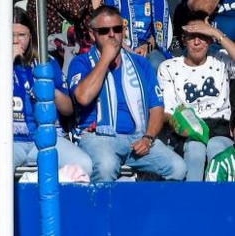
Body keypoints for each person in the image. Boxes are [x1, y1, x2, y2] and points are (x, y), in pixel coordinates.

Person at [0, 7, 93, 179]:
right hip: (0, 141)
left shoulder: (46, 62)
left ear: (31, 35)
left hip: (43, 140)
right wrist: (5, 61)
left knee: (84, 165)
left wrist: (51, 91)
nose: (16, 41)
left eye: (21, 35)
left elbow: (68, 109)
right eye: (11, 35)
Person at [69, 5, 187, 181]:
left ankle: (150, 208)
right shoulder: (81, 62)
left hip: (138, 137)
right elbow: (83, 98)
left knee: (178, 168)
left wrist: (148, 138)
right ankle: (104, 209)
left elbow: (156, 108)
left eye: (117, 29)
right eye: (104, 31)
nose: (111, 35)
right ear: (93, 34)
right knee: (106, 166)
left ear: (123, 30)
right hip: (98, 136)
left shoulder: (141, 64)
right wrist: (105, 59)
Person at [157, 10, 235, 180]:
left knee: (217, 147)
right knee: (195, 149)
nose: (198, 42)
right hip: (188, 129)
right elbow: (168, 111)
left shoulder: (221, 59)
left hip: (219, 127)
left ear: (209, 39)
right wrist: (181, 125)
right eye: (192, 36)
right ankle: (194, 202)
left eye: (203, 35)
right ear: (183, 39)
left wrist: (216, 33)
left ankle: (220, 201)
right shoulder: (169, 67)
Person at [104, 0, 172, 71]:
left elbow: (157, 38)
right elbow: (109, 33)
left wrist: (146, 48)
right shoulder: (114, 2)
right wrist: (130, 50)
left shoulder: (157, 3)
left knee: (156, 63)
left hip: (147, 48)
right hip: (120, 45)